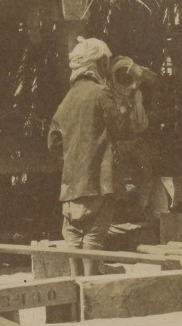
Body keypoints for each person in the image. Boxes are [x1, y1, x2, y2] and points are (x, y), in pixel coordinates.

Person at [47, 37, 133, 275]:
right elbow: (123, 130)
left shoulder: (66, 100)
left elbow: (53, 142)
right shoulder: (101, 93)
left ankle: (76, 287)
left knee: (73, 236)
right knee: (94, 236)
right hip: (99, 180)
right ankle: (92, 288)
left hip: (71, 183)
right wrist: (127, 99)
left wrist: (73, 159)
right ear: (101, 63)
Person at [102, 53, 160, 227]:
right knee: (119, 188)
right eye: (125, 78)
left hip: (135, 144)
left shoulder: (136, 95)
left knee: (141, 185)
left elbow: (142, 124)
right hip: (115, 146)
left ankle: (139, 220)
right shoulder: (106, 95)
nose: (130, 83)